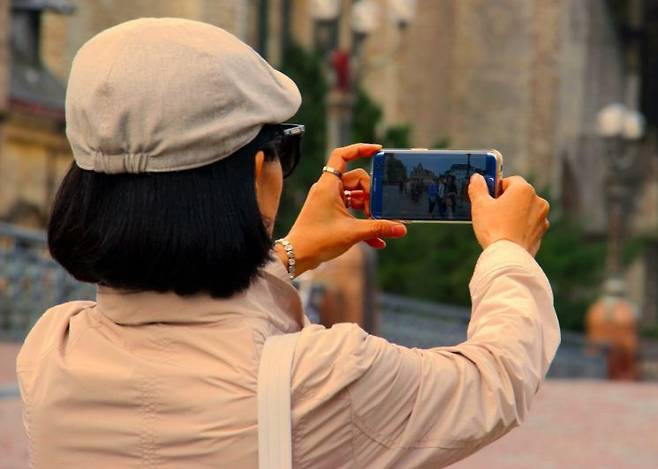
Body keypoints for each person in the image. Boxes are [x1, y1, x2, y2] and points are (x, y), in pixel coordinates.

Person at [16, 18, 558, 468]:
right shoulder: (321, 378)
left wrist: (290, 254)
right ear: (258, 170)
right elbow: (495, 380)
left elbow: (182, 328)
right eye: (284, 149)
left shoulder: (51, 352)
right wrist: (507, 251)